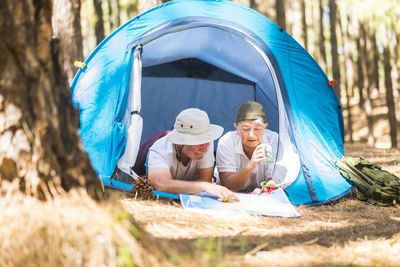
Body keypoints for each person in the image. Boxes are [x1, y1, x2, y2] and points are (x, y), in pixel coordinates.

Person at [147, 108, 238, 202]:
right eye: (199, 142)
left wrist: (175, 186)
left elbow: (205, 179)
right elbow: (160, 185)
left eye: (206, 140)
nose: (205, 148)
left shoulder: (205, 144)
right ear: (179, 142)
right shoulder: (160, 149)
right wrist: (203, 186)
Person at [216, 101, 278, 193]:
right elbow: (227, 184)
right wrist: (251, 165)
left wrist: (264, 189)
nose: (252, 135)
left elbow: (272, 180)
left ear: (265, 127)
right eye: (245, 129)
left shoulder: (273, 140)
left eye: (257, 129)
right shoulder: (227, 142)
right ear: (237, 128)